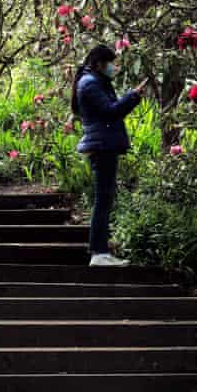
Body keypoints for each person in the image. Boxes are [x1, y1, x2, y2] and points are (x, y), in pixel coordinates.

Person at [71, 44, 148, 267]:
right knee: (103, 199)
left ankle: (101, 251)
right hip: (102, 146)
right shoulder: (90, 84)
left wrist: (131, 97)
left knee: (105, 198)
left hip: (104, 144)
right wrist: (132, 96)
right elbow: (110, 112)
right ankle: (99, 252)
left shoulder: (94, 82)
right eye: (111, 63)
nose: (114, 67)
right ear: (99, 64)